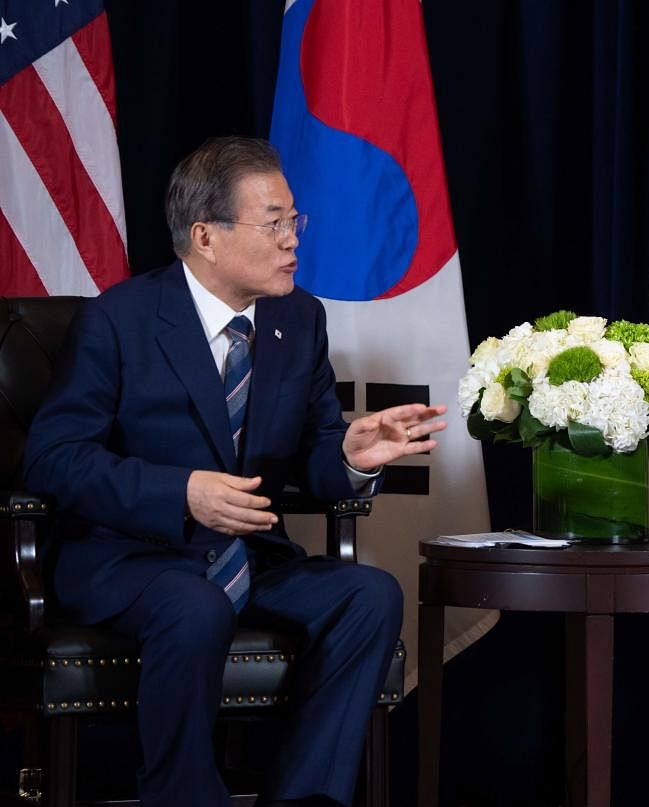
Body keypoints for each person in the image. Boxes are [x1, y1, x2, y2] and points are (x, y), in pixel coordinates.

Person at [23, 136, 446, 807]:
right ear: (206, 237)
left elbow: (315, 449)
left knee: (371, 595)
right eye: (273, 222)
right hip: (131, 557)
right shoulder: (119, 321)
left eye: (294, 221)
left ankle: (306, 798)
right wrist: (182, 493)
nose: (292, 240)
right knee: (195, 607)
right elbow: (54, 458)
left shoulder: (298, 319)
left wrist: (349, 458)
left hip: (250, 555)